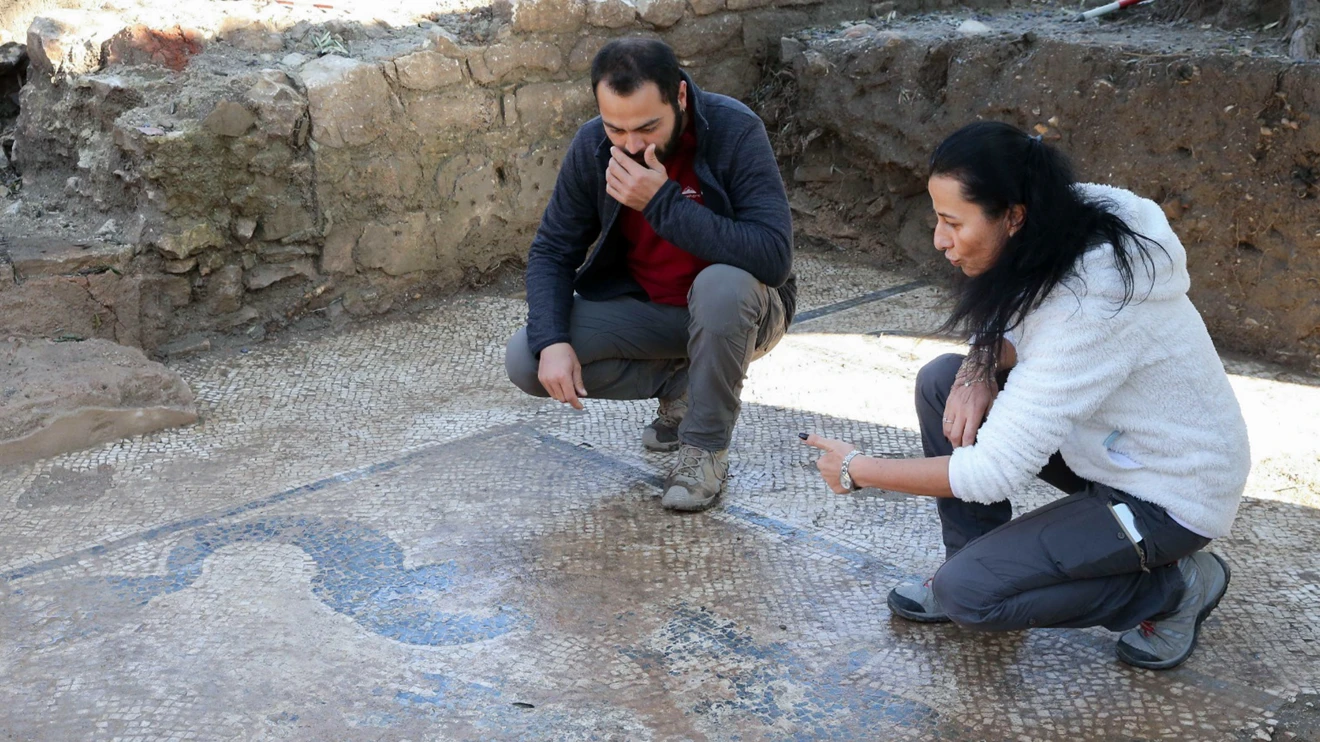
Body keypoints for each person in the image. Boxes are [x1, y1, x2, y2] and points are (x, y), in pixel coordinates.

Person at [801, 121, 1251, 670]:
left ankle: (1177, 588)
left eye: (952, 223)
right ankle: (969, 559)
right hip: (1108, 448)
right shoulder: (1056, 217)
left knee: (973, 596)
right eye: (936, 219)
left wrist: (858, 469)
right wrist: (978, 362)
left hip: (1172, 492)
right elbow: (1013, 320)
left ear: (1013, 216)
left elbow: (992, 472)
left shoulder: (1094, 303)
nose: (939, 240)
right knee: (945, 382)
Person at [505, 38, 795, 512]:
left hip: (744, 313)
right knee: (526, 357)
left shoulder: (734, 129)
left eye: (647, 128)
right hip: (652, 313)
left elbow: (773, 255)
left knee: (721, 285)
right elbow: (552, 251)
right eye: (616, 128)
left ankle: (704, 449)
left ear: (679, 97)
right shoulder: (594, 147)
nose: (632, 145)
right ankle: (678, 384)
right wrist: (554, 340)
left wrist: (662, 203)